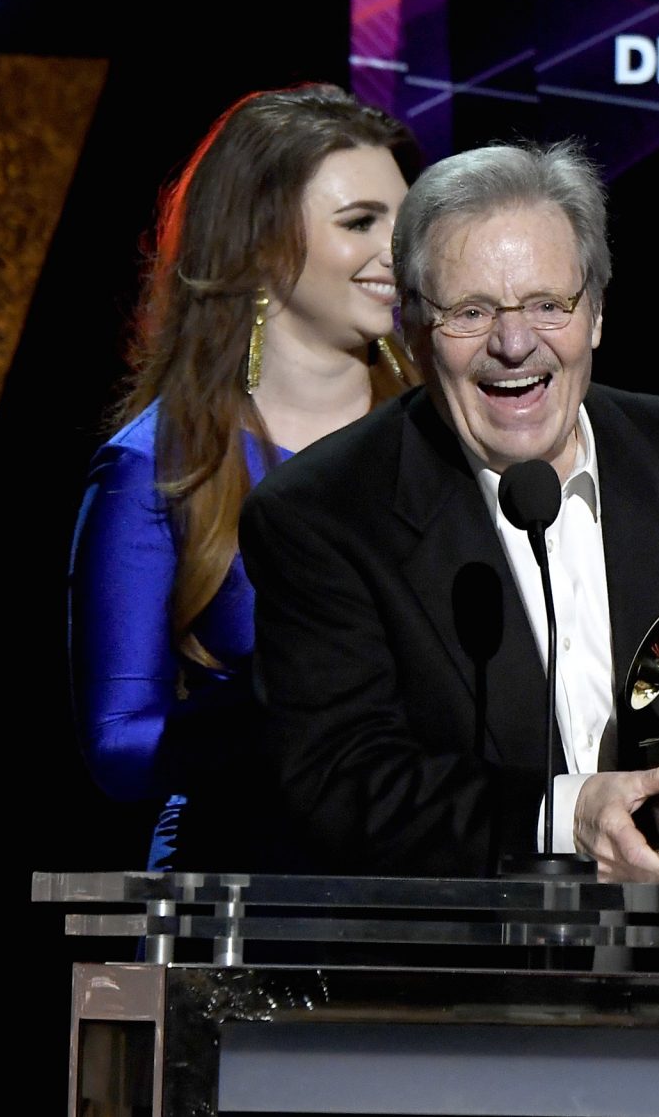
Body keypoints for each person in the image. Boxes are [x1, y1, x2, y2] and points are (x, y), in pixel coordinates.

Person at [239, 139, 659, 882]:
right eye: (470, 311)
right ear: (412, 330)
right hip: (468, 950)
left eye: (547, 305)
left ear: (594, 313)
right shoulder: (321, 515)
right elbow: (342, 776)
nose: (514, 344)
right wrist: (569, 815)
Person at [67, 84, 416, 869]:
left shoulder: (448, 434)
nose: (399, 249)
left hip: (431, 886)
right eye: (361, 221)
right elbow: (118, 744)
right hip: (239, 894)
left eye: (405, 219)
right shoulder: (159, 466)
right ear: (259, 242)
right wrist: (286, 708)